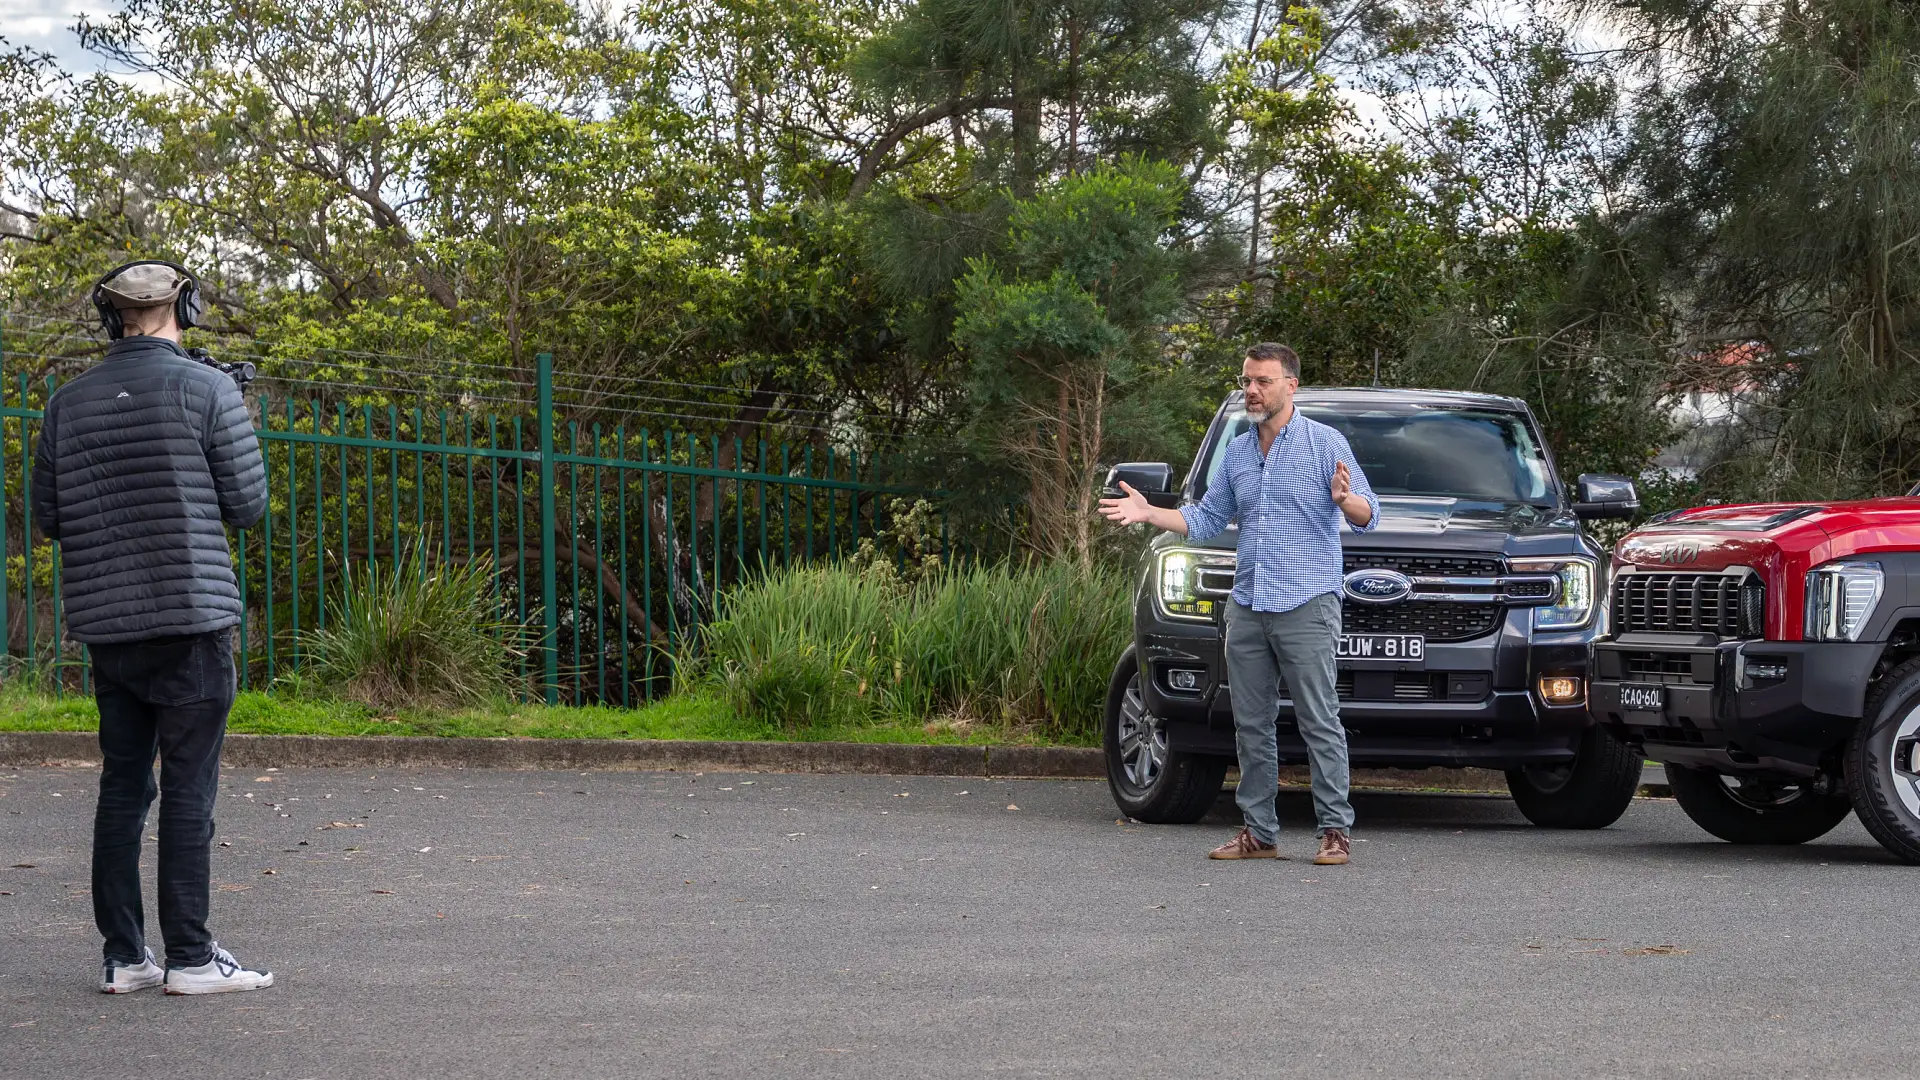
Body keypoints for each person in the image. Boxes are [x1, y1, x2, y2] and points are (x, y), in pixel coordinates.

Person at [33, 260, 273, 993]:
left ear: (113, 318)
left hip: (109, 629)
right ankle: (192, 959)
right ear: (185, 309)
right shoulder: (208, 390)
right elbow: (247, 505)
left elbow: (48, 518)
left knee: (123, 787)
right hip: (191, 621)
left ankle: (124, 957)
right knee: (189, 790)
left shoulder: (64, 404)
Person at [1097, 342, 1378, 865]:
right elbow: (1205, 520)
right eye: (1247, 380)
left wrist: (1345, 500)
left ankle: (1335, 830)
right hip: (1247, 605)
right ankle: (1259, 832)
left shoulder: (1325, 444)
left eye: (1263, 381)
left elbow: (1368, 514)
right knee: (1251, 724)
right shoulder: (1239, 452)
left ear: (1290, 385)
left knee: (1319, 720)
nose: (1252, 390)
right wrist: (1150, 512)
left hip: (1306, 603)